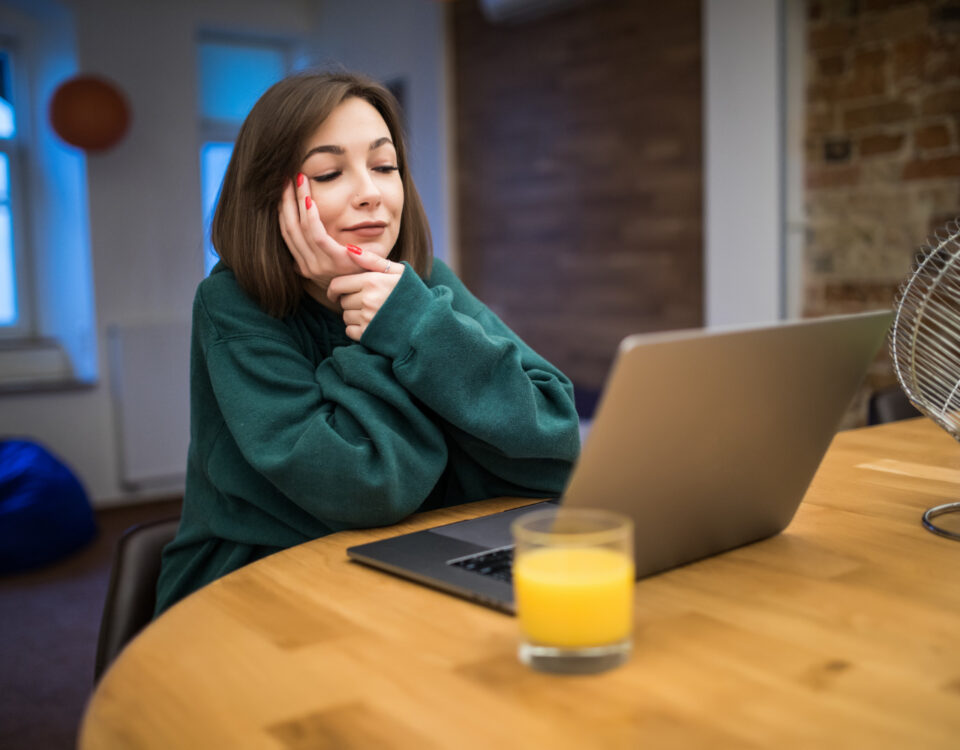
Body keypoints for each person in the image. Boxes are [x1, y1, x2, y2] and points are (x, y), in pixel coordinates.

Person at [154, 71, 580, 616]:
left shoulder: (421, 283)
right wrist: (379, 325)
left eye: (385, 167)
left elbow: (554, 436)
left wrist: (408, 318)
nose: (371, 193)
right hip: (254, 581)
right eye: (330, 172)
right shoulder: (232, 303)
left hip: (413, 554)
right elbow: (366, 485)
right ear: (272, 198)